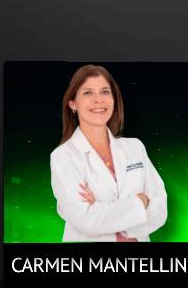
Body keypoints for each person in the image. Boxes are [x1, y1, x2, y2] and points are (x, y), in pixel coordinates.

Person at [49, 64, 168, 242]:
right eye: (88, 93)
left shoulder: (135, 147)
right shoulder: (63, 156)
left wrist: (101, 210)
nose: (98, 100)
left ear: (114, 100)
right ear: (73, 104)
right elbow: (87, 221)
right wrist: (140, 202)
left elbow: (160, 208)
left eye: (105, 92)